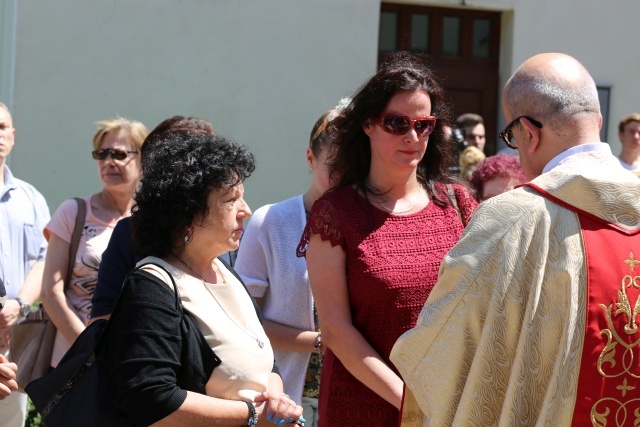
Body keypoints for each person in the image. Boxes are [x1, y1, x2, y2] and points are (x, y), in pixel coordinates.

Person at [391, 53, 640, 426]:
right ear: (599, 122)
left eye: (512, 137)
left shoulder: (512, 220)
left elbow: (441, 350)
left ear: (529, 132)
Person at [296, 52, 477, 426]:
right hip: (364, 405)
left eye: (423, 125)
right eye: (396, 123)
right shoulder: (336, 212)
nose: (412, 137)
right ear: (367, 125)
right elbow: (335, 330)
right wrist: (412, 406)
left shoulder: (458, 204)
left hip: (448, 407)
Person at [104, 132, 304, 426]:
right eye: (230, 200)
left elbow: (265, 361)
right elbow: (150, 396)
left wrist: (276, 401)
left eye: (242, 197)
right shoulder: (152, 286)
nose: (245, 211)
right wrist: (252, 416)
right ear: (188, 215)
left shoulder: (227, 272)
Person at [234, 108, 341, 426]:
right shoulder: (269, 221)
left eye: (356, 166)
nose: (344, 176)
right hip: (283, 398)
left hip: (352, 396)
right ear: (311, 158)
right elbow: (243, 325)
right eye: (333, 165)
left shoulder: (369, 228)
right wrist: (324, 341)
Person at [90, 115, 219, 321]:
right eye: (102, 154)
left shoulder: (231, 234)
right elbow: (102, 318)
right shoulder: (130, 232)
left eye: (119, 154)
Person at [41, 117, 147, 367]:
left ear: (143, 161)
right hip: (75, 358)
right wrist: (89, 349)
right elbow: (50, 292)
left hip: (135, 359)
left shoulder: (154, 220)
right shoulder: (73, 212)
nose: (108, 161)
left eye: (119, 154)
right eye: (102, 154)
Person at [0, 102, 50, 426]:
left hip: (15, 334)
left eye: (2, 127)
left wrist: (19, 304)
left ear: (13, 135)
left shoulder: (31, 198)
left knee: (9, 420)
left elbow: (45, 259)